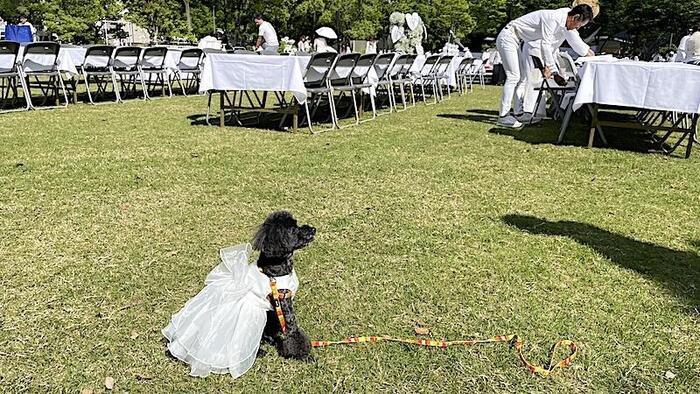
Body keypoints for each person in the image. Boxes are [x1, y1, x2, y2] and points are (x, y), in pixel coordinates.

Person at [494, 4, 594, 128]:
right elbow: (545, 46)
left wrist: (552, 69)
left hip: (516, 39)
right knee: (513, 76)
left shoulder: (563, 18)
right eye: (578, 25)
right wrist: (555, 72)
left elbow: (551, 46)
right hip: (508, 37)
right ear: (575, 17)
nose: (577, 29)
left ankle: (518, 113)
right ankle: (503, 116)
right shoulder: (553, 18)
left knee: (519, 78)